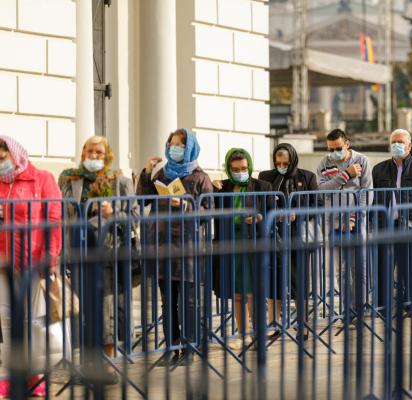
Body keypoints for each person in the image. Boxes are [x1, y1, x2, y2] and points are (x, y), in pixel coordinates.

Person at [59, 135, 138, 383]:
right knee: (82, 311)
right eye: (90, 152)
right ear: (83, 153)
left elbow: (135, 216)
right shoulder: (71, 181)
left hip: (107, 254)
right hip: (79, 252)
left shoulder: (119, 182)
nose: (94, 157)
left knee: (106, 312)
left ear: (108, 156)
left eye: (99, 153)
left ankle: (107, 364)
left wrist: (114, 212)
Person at [136, 129, 213, 366]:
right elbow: (143, 199)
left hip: (187, 246)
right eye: (171, 144)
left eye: (180, 144)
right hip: (162, 244)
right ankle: (172, 346)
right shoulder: (164, 173)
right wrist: (148, 173)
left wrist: (186, 205)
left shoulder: (200, 178)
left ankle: (190, 347)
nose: (174, 148)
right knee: (167, 300)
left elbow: (208, 212)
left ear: (189, 147)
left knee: (189, 301)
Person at [0, 135, 62, 398]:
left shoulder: (42, 179)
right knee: (5, 322)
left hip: (33, 263)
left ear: (14, 153)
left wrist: (49, 257)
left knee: (32, 322)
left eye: (2, 158)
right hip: (3, 262)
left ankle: (33, 375)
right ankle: (7, 375)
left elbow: (54, 218)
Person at [372, 129, 412, 312]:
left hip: (411, 223)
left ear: (409, 145)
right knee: (384, 265)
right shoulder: (379, 169)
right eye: (394, 142)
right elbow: (373, 199)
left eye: (400, 141)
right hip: (385, 224)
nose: (397, 145)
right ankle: (383, 305)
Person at [258, 143, 317, 336]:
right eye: (278, 163)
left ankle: (303, 325)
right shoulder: (266, 177)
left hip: (297, 235)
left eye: (285, 163)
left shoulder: (307, 177)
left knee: (298, 281)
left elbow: (316, 205)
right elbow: (260, 201)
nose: (282, 166)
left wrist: (296, 213)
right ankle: (274, 324)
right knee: (274, 280)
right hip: (274, 234)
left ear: (293, 160)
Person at [215, 148, 272, 348]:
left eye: (244, 168)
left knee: (253, 292)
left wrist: (259, 217)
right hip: (231, 242)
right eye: (236, 169)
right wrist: (212, 187)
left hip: (253, 241)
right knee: (238, 292)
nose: (241, 171)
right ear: (229, 170)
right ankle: (243, 334)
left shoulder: (262, 186)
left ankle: (258, 333)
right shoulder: (223, 188)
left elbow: (273, 212)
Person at [316, 129, 372, 318]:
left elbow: (367, 193)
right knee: (341, 268)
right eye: (331, 148)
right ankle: (347, 309)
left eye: (338, 148)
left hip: (357, 221)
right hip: (333, 222)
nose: (334, 152)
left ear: (347, 143)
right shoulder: (325, 162)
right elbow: (322, 190)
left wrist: (354, 218)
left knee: (359, 266)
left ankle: (361, 307)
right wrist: (345, 175)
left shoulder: (362, 160)